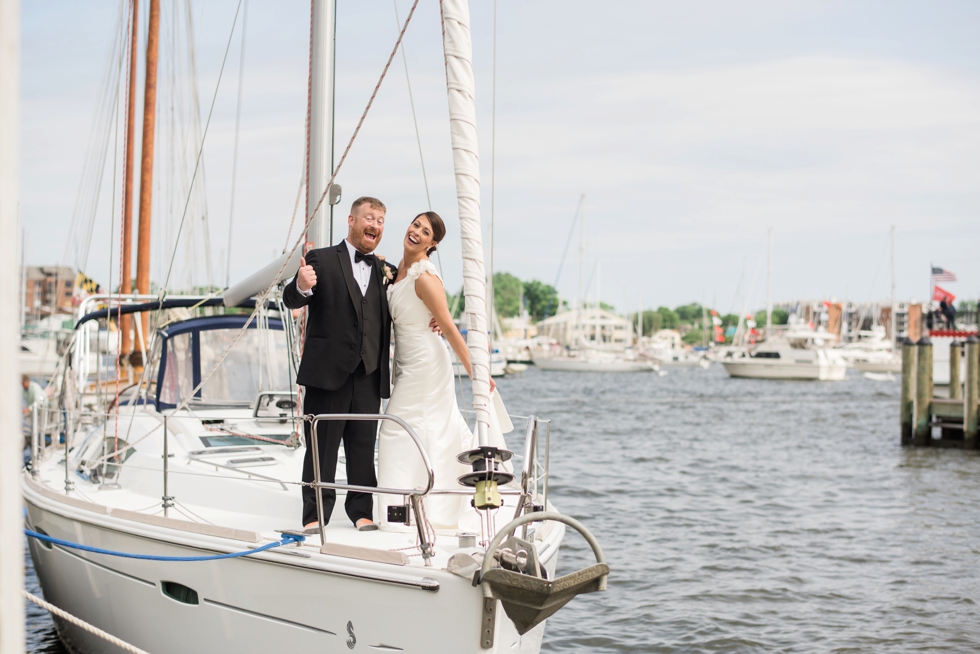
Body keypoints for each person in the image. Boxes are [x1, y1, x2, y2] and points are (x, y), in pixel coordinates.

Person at [377, 211, 510, 533]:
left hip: (426, 362)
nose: (416, 232)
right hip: (407, 361)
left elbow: (448, 326)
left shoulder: (424, 276)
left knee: (397, 430)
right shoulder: (397, 271)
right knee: (432, 431)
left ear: (432, 243)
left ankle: (404, 510)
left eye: (425, 232)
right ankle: (424, 503)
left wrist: (475, 372)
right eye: (415, 225)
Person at [283, 196, 398, 533]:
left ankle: (361, 511)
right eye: (369, 218)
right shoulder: (321, 259)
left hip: (368, 375)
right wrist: (301, 286)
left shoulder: (383, 270)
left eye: (380, 220)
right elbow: (291, 297)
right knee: (321, 449)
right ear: (351, 220)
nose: (374, 225)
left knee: (363, 448)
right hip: (327, 374)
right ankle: (315, 515)